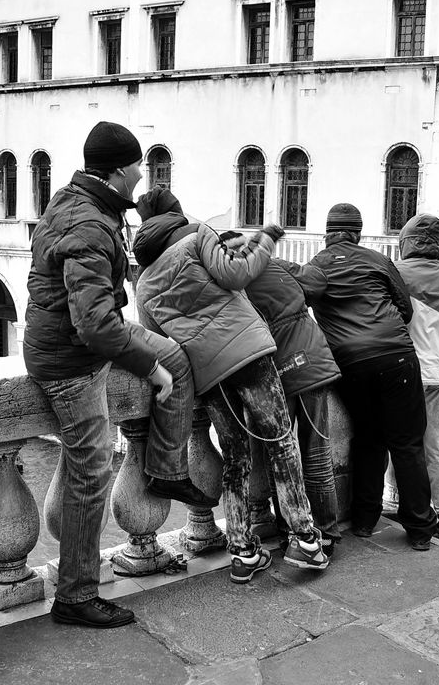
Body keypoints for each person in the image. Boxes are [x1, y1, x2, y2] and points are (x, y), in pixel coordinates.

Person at [25, 121, 215, 628]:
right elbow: (92, 324)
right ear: (119, 170)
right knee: (91, 473)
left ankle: (166, 470)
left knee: (175, 356)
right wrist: (146, 367)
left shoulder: (83, 205)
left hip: (83, 340)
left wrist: (156, 360)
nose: (142, 175)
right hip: (70, 362)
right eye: (138, 166)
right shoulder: (88, 223)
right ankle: (76, 595)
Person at [132, 188, 329, 584]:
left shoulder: (144, 286)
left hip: (209, 377)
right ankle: (305, 539)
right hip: (249, 353)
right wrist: (267, 241)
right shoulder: (197, 236)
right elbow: (236, 274)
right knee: (280, 440)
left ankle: (241, 549)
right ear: (177, 215)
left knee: (236, 455)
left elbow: (159, 343)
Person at [287, 203, 438, 550]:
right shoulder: (377, 259)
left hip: (350, 363)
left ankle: (365, 520)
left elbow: (295, 307)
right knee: (407, 443)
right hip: (395, 355)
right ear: (357, 233)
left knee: (369, 438)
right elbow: (406, 308)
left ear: (327, 234)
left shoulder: (316, 268)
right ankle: (419, 530)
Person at [218, 231, 344, 556]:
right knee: (315, 450)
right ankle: (326, 532)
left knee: (280, 454)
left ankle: (292, 531)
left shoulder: (232, 286)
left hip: (275, 368)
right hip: (308, 356)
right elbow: (316, 280)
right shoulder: (273, 265)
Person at [390, 213, 439, 537]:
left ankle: (402, 501)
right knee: (436, 443)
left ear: (405, 242)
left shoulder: (396, 272)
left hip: (405, 368)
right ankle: (437, 509)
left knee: (403, 442)